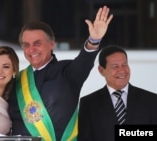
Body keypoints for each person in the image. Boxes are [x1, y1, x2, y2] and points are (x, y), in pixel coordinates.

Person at [8, 5, 113, 141]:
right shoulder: (17, 80)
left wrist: (94, 40)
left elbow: (84, 61)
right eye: (26, 45)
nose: (31, 49)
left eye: (37, 43)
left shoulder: (68, 72)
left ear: (52, 44)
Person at [78, 45, 157, 141]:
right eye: (115, 66)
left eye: (124, 65)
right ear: (101, 70)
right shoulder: (88, 103)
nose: (122, 70)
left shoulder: (151, 100)